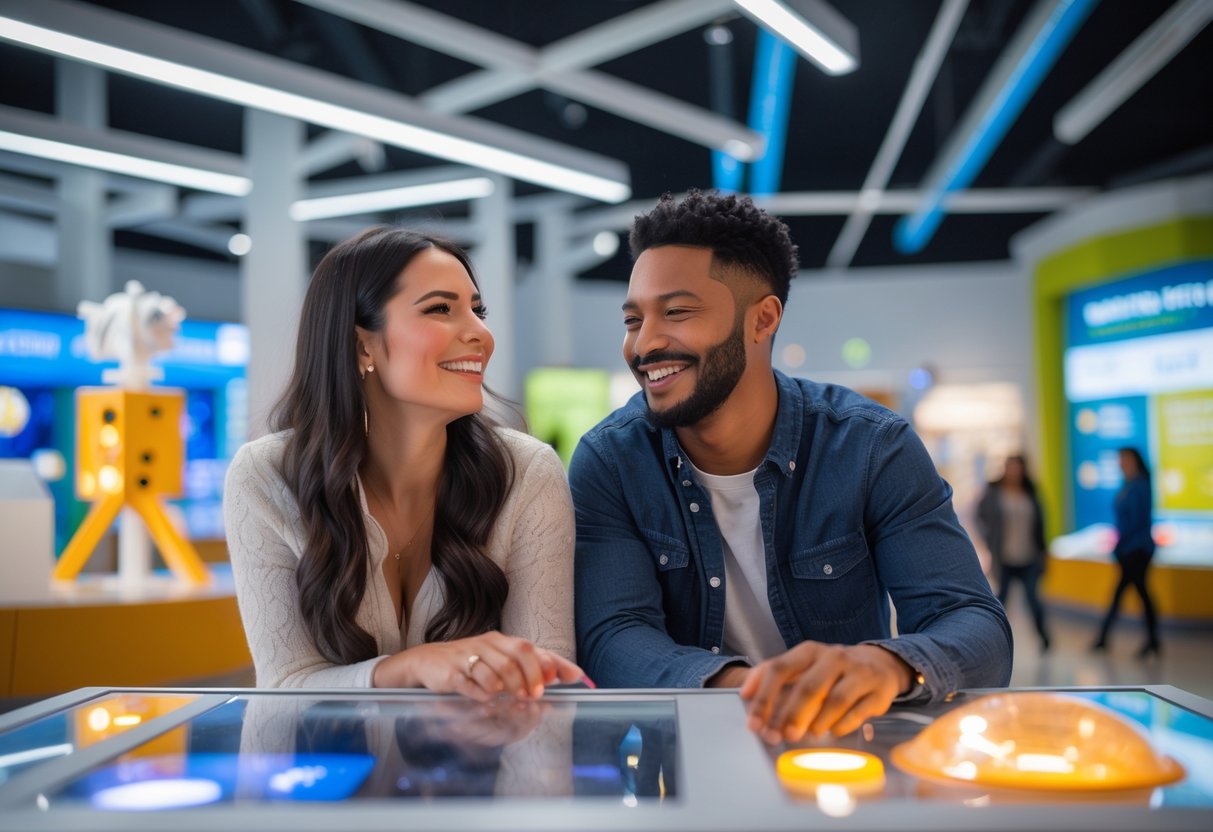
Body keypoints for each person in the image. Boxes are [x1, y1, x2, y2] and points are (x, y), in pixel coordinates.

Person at [570, 190, 1012, 743]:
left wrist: (887, 665)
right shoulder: (611, 461)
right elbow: (613, 635)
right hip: (692, 758)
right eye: (633, 319)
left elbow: (976, 626)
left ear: (763, 319)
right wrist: (751, 689)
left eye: (677, 312)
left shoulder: (872, 448)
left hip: (849, 752)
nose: (644, 343)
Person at [224, 226, 584, 697]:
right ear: (363, 346)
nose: (480, 333)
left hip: (483, 747)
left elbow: (550, 686)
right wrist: (412, 667)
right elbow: (286, 686)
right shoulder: (266, 476)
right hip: (328, 749)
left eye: (477, 311)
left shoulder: (526, 472)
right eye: (440, 309)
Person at [976, 454, 1052, 652]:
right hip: (1005, 558)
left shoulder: (1030, 492)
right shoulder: (994, 492)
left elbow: (1040, 524)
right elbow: (980, 515)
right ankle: (992, 640)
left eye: (1017, 467)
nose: (1014, 471)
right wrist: (988, 539)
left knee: (1034, 600)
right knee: (1000, 602)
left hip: (1029, 557)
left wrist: (1043, 551)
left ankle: (1044, 638)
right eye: (1010, 467)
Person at [1092, 447, 1160, 658]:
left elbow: (1137, 522)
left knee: (1131, 594)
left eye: (1124, 459)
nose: (1121, 463)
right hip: (1129, 549)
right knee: (1136, 594)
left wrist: (1122, 545)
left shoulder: (1140, 485)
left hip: (1136, 550)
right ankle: (1151, 641)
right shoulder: (1128, 484)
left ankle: (1105, 638)